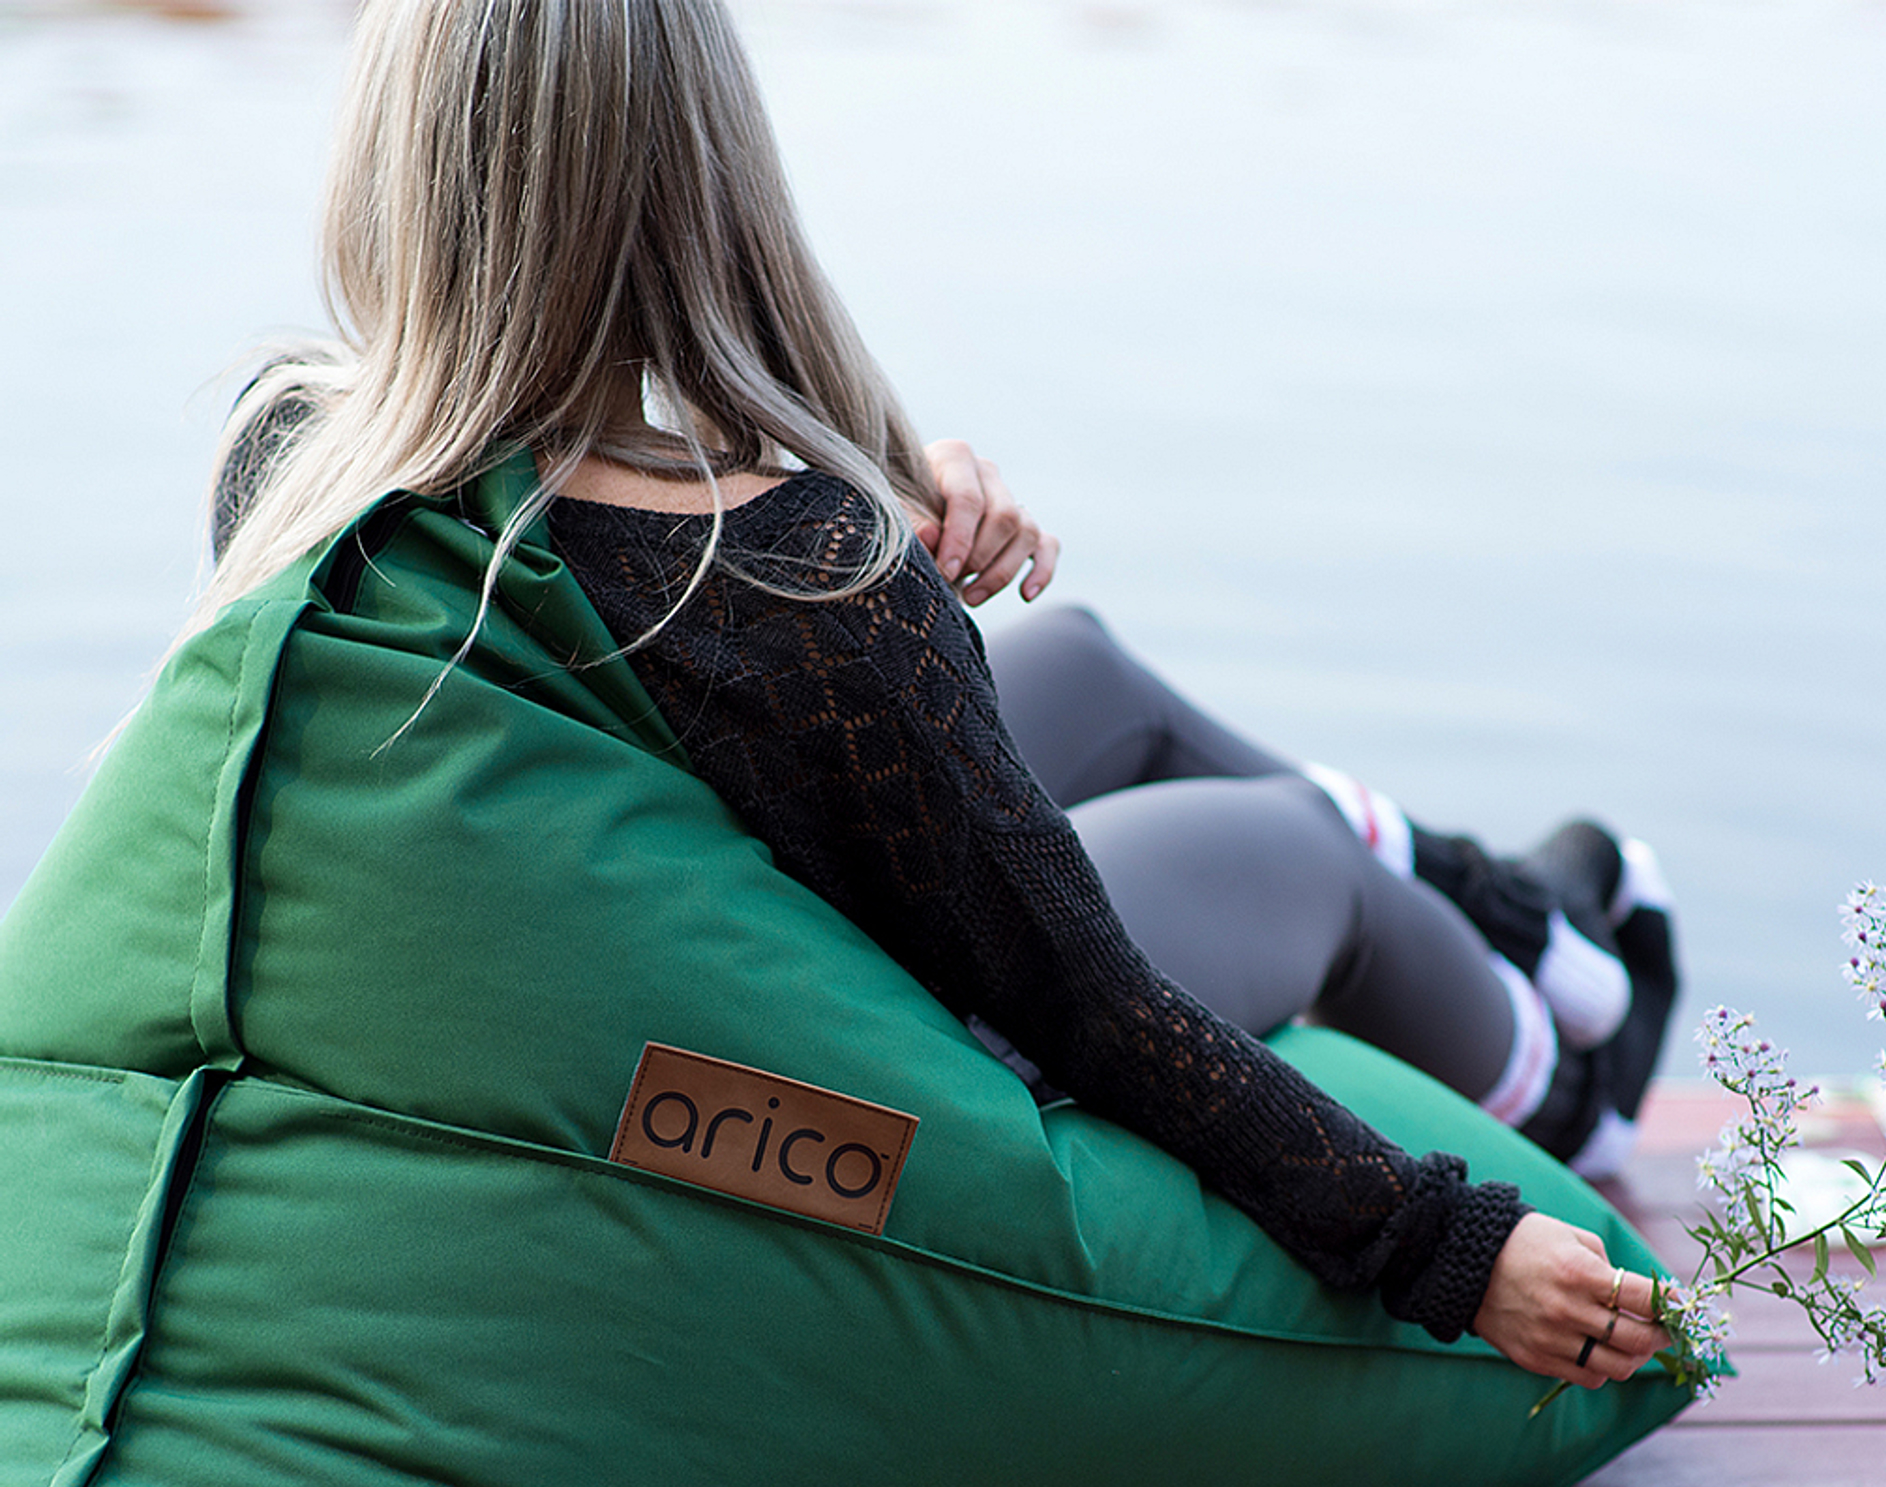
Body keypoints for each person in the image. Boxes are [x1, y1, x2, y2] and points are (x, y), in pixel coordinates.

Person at [198, 0, 1671, 1390]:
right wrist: (1455, 1250)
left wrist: (865, 500)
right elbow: (1096, 1011)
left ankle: (1503, 901)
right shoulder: (805, 583)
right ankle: (1577, 1085)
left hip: (684, 962)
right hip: (873, 1078)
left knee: (1081, 663)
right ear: (704, 180)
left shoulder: (292, 455)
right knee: (1291, 847)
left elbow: (634, 550)